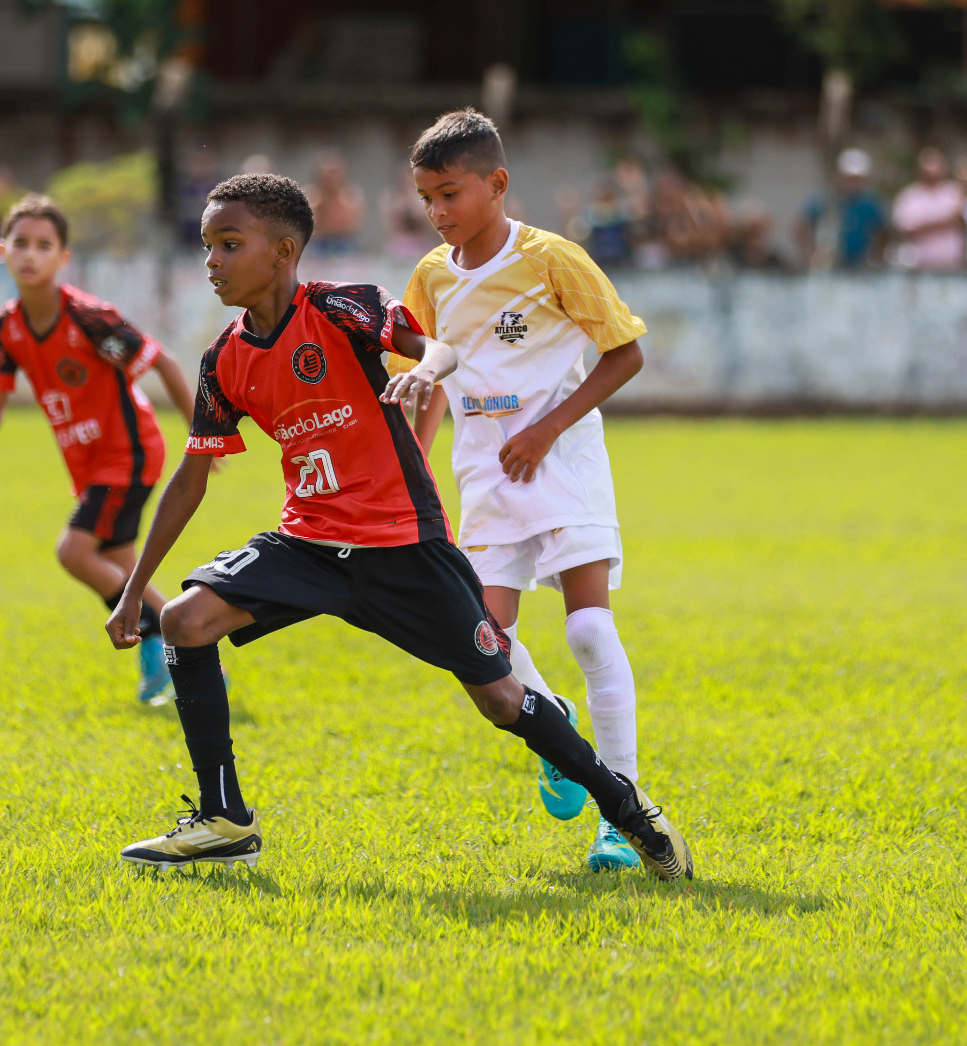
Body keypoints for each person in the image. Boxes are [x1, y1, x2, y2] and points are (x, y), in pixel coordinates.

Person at [103, 173, 691, 880]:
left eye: (230, 244)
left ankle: (631, 814)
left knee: (502, 700)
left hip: (404, 547)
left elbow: (435, 349)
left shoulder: (343, 307)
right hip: (310, 544)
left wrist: (422, 371)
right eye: (208, 246)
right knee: (191, 622)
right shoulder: (222, 360)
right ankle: (223, 817)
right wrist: (137, 587)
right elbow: (191, 478)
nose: (213, 262)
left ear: (284, 251)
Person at [400, 109, 656, 872]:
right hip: (485, 469)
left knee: (588, 632)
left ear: (497, 184)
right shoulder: (431, 276)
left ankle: (624, 808)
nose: (439, 212)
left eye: (450, 193)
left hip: (563, 460)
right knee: (484, 646)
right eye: (426, 200)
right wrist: (416, 463)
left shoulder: (554, 260)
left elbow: (625, 354)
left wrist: (545, 430)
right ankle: (555, 723)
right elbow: (432, 370)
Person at [0, 194, 195, 704]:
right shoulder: (5, 328)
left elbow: (164, 362)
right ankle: (197, 652)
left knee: (74, 551)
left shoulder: (88, 319)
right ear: (2, 250)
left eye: (43, 245)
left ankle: (155, 637)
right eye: (20, 243)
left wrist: (201, 433)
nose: (31, 254)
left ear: (63, 257)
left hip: (130, 451)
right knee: (119, 561)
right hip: (90, 463)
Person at [796, 148, 886, 270]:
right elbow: (801, 227)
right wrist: (810, 254)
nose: (853, 182)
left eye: (857, 178)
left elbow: (883, 232)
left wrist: (877, 256)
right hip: (828, 265)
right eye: (849, 178)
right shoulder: (823, 200)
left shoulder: (871, 203)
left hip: (861, 266)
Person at [892, 147, 965, 271]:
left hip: (951, 266)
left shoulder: (954, 192)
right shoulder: (909, 196)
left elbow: (961, 220)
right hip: (918, 266)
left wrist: (925, 225)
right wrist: (943, 223)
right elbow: (905, 229)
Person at [306, 154, 365, 255]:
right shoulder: (312, 197)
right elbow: (312, 228)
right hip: (319, 243)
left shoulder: (351, 197)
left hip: (345, 242)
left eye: (335, 173)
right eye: (328, 174)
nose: (332, 179)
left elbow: (353, 227)